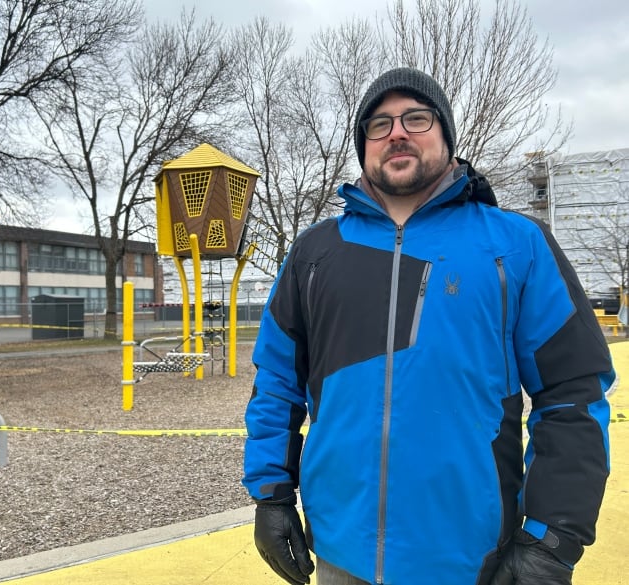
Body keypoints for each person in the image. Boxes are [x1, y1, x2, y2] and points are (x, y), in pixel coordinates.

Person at [242, 67, 614, 585]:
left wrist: (554, 538)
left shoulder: (517, 244)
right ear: (364, 145)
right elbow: (277, 382)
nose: (397, 132)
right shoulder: (313, 252)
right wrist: (271, 495)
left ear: (446, 135)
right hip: (338, 555)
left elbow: (572, 395)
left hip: (474, 561)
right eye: (379, 124)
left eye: (416, 118)